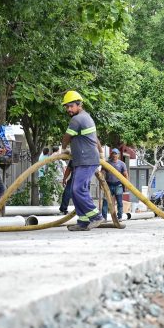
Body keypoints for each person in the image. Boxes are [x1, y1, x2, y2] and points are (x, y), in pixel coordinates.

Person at [61, 90, 105, 231]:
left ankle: (96, 216)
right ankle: (83, 221)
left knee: (78, 189)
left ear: (79, 105)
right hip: (82, 159)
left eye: (71, 106)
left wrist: (62, 149)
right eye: (67, 107)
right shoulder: (87, 117)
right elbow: (95, 138)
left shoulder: (77, 119)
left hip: (86, 160)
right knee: (76, 191)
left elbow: (67, 137)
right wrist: (101, 152)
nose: (68, 109)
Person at [101, 148, 128, 220]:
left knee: (119, 202)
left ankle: (120, 217)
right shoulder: (107, 163)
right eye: (113, 153)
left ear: (118, 155)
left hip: (118, 185)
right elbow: (102, 173)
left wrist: (125, 185)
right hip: (108, 185)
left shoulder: (122, 164)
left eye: (116, 154)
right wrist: (101, 184)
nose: (114, 155)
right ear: (111, 154)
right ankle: (104, 218)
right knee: (105, 202)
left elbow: (125, 175)